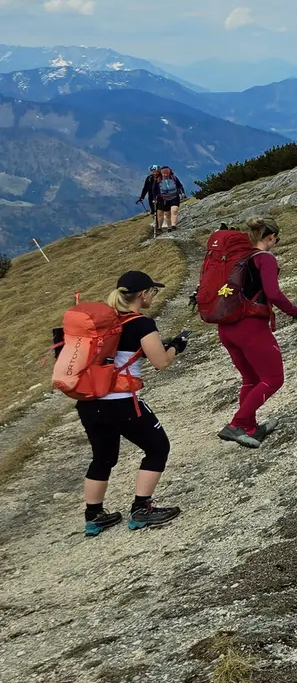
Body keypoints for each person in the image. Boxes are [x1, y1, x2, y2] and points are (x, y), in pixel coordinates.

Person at [78, 271, 187, 535]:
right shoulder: (141, 324)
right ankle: (142, 509)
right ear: (143, 295)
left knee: (103, 457)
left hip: (90, 403)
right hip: (122, 402)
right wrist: (176, 346)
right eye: (153, 291)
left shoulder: (103, 322)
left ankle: (94, 516)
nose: (153, 296)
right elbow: (161, 362)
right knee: (158, 447)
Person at [217, 216, 297, 449]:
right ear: (270, 237)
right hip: (250, 327)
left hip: (226, 327)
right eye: (276, 239)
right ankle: (237, 424)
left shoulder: (235, 257)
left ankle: (250, 428)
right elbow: (273, 294)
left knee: (251, 378)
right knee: (273, 379)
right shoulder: (265, 258)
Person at [153, 166, 185, 232]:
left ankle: (173, 225)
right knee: (167, 214)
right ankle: (168, 227)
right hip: (163, 199)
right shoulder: (158, 180)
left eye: (167, 173)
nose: (165, 174)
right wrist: (155, 198)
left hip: (174, 197)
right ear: (161, 173)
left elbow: (179, 186)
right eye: (164, 173)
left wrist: (182, 193)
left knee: (174, 210)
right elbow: (154, 189)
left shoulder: (174, 178)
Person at [136, 167, 163, 235]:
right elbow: (145, 188)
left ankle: (158, 226)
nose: (155, 173)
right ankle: (156, 224)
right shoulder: (149, 178)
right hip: (151, 197)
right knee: (153, 211)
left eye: (156, 171)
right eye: (153, 171)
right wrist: (142, 197)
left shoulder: (162, 178)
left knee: (159, 211)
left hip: (161, 197)